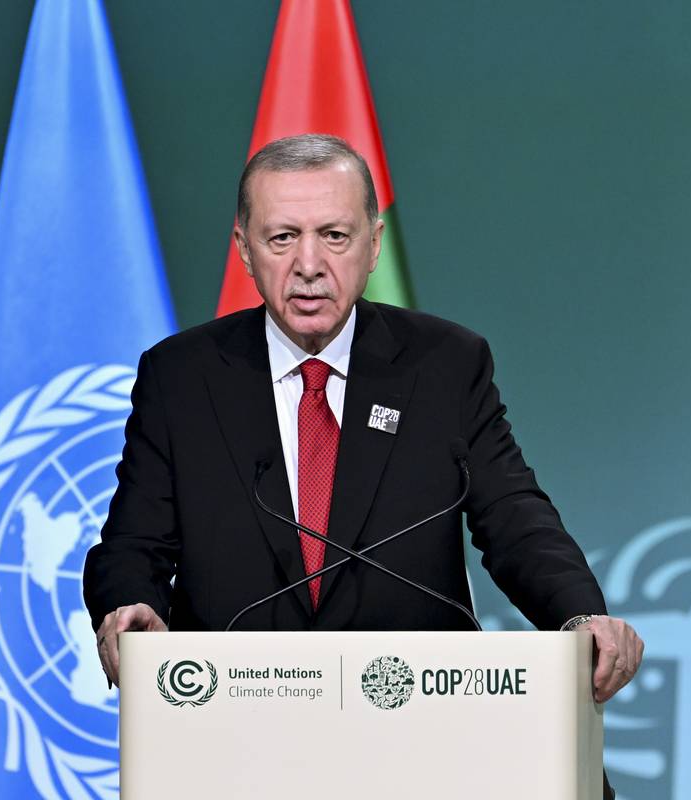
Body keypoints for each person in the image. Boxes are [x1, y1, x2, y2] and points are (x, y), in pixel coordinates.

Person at [84, 133, 642, 709]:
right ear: (244, 249)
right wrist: (130, 604)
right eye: (282, 237)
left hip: (413, 709)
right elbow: (134, 540)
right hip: (236, 711)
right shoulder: (180, 376)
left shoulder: (444, 364)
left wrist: (580, 614)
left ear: (373, 245)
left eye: (334, 235)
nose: (309, 265)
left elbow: (513, 518)